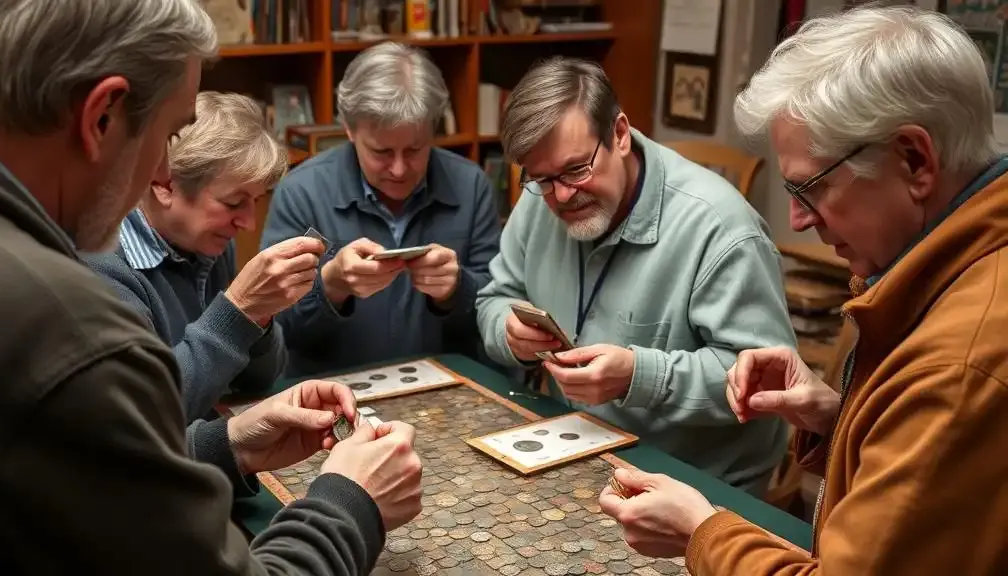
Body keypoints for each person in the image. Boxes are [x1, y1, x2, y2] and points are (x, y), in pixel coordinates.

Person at [0, 1, 422, 573]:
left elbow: (103, 473)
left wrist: (232, 441)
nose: (163, 169)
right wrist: (350, 501)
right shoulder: (70, 323)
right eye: (169, 133)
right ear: (101, 117)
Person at [599, 6, 1008, 574]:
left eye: (809, 187)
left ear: (915, 160)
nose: (795, 219)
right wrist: (841, 417)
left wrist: (701, 531)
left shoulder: (958, 365)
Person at [475, 57, 797, 494]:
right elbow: (495, 298)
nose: (563, 195)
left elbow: (768, 383)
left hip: (693, 483)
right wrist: (509, 333)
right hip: (570, 447)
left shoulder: (722, 230)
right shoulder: (540, 199)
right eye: (544, 179)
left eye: (576, 169)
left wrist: (637, 376)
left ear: (620, 135)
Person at [261, 41, 501, 378]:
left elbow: (498, 313)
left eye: (415, 150)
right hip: (335, 396)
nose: (400, 169)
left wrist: (457, 288)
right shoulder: (301, 193)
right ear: (349, 129)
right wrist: (330, 286)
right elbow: (272, 327)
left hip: (445, 391)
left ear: (434, 129)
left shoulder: (470, 185)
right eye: (382, 152)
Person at [84, 91, 318, 424]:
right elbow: (148, 414)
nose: (249, 223)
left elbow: (257, 382)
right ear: (164, 185)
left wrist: (261, 315)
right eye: (234, 203)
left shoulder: (208, 243)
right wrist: (239, 310)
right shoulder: (103, 265)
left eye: (256, 200)